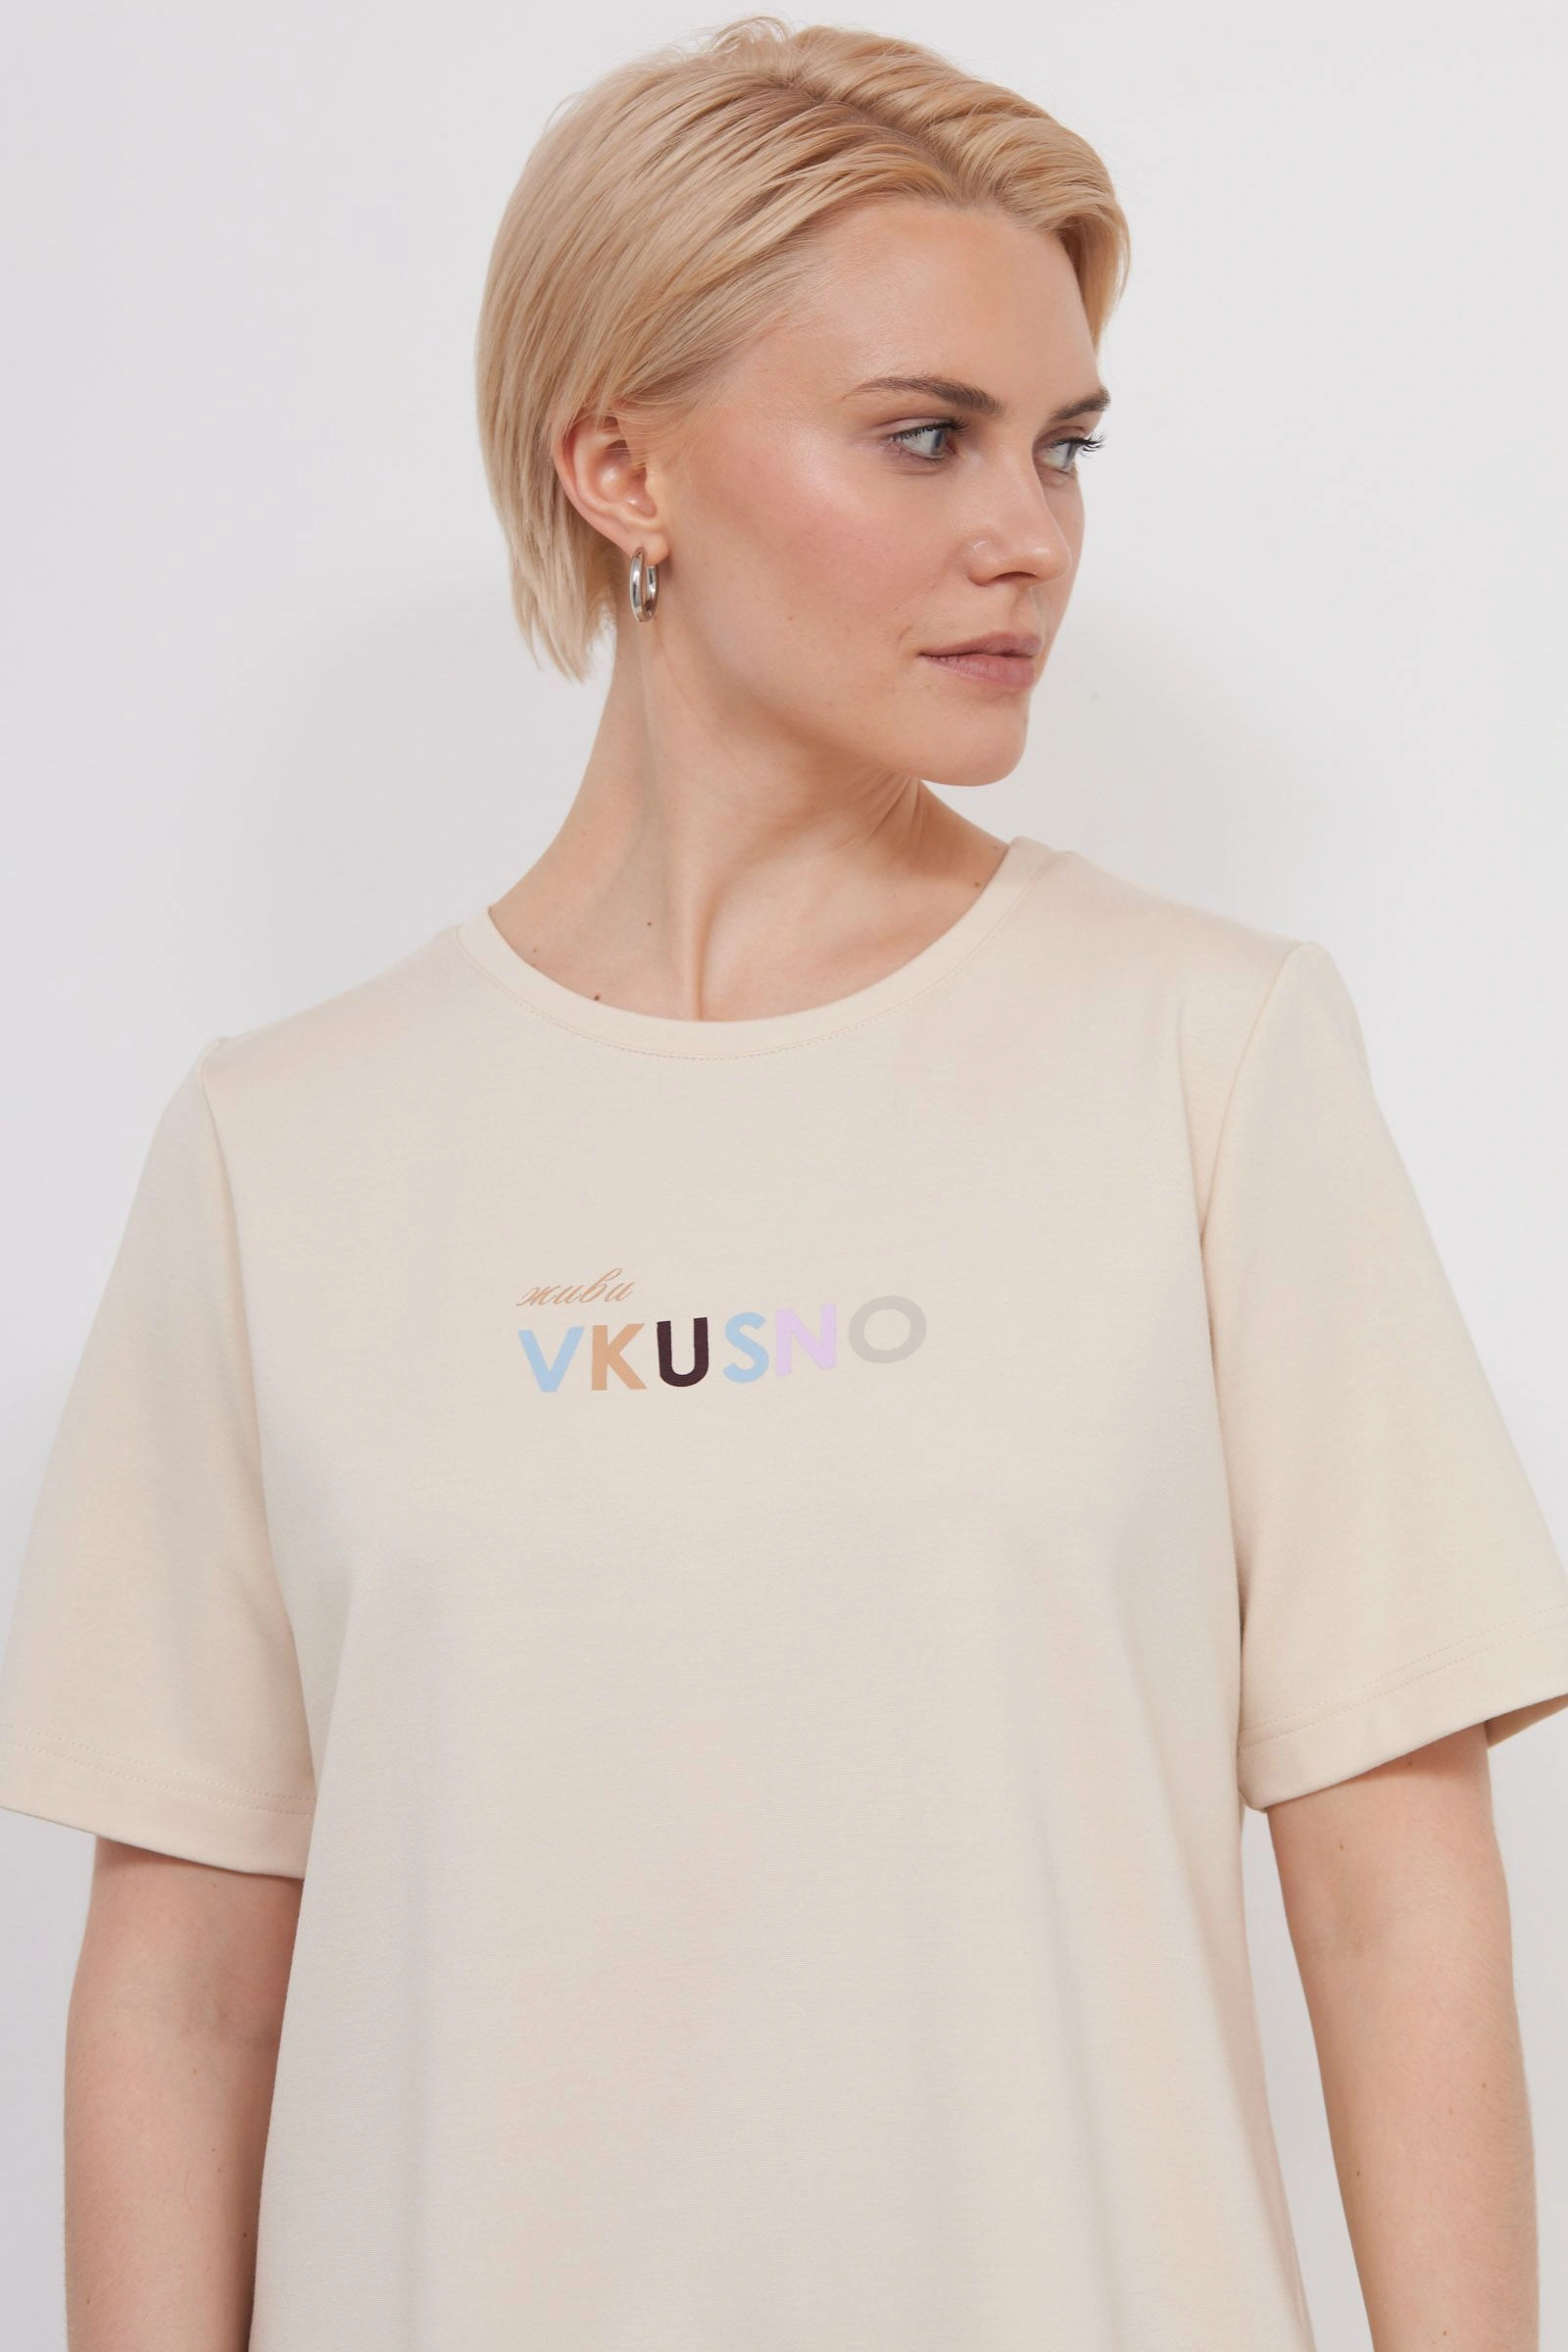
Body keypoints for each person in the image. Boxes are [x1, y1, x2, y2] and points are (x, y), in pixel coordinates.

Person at [2, 17, 1565, 2350]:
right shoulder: (282, 1148)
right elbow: (186, 1988)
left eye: (1059, 445)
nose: (1025, 531)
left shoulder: (1207, 1054)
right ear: (618, 465)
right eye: (924, 434)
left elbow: (1389, 1890)